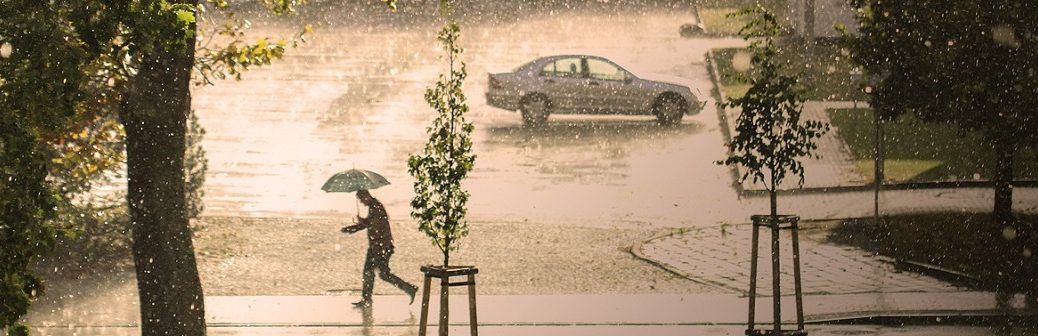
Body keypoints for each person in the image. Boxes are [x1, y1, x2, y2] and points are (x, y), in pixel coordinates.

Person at [341, 189, 418, 307]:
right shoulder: (374, 207)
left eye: (362, 199)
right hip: (378, 247)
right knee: (370, 273)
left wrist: (357, 225)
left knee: (379, 274)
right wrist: (353, 228)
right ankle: (367, 299)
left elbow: (372, 224)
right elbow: (369, 223)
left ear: (367, 196)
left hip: (381, 247)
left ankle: (409, 288)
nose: (362, 202)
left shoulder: (376, 207)